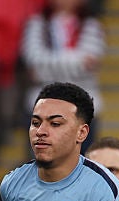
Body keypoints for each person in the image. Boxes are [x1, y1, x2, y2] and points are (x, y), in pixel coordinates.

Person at [20, 1, 105, 143]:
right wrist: (76, 60)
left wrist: (47, 67)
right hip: (42, 105)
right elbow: (34, 60)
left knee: (81, 161)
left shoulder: (92, 26)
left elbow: (88, 64)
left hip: (83, 106)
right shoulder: (36, 25)